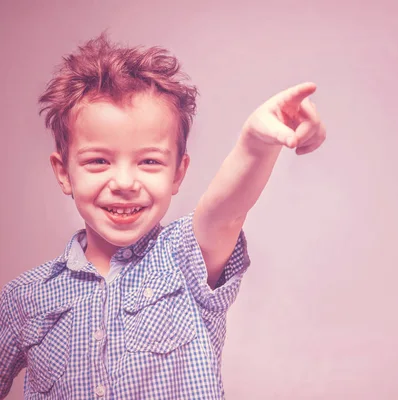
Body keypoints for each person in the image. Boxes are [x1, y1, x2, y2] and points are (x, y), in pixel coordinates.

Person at [0, 33, 326, 399]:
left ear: (177, 173)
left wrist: (255, 143)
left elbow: (224, 213)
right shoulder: (24, 298)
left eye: (149, 162)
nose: (124, 182)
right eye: (98, 161)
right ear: (64, 173)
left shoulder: (184, 259)